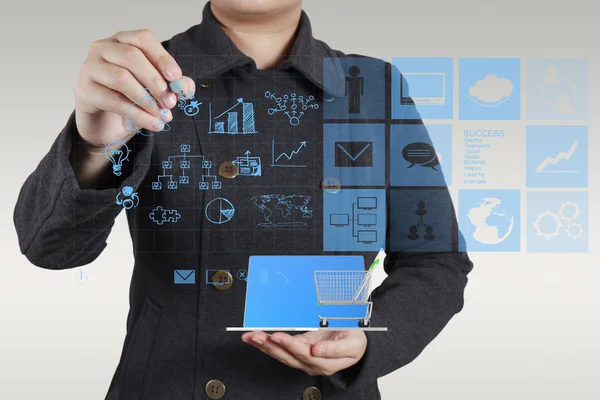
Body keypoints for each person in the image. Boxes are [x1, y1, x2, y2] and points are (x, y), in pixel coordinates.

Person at [13, 1, 473, 399]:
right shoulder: (140, 78)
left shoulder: (372, 87)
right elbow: (50, 249)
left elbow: (436, 261)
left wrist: (370, 339)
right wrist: (94, 146)